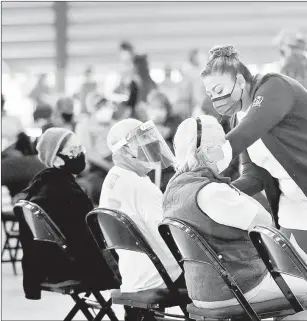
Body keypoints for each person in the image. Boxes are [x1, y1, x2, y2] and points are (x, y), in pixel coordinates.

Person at [200, 44, 307, 308]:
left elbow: (252, 128)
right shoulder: (240, 120)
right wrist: (220, 190)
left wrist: (206, 159)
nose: (216, 99)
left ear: (239, 80)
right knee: (287, 282)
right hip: (297, 202)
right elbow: (254, 175)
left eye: (220, 90)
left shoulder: (274, 88)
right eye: (210, 94)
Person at [164, 115, 307, 308]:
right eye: (222, 142)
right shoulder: (213, 192)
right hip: (238, 288)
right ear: (207, 151)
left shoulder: (173, 189)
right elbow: (264, 223)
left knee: (294, 290)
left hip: (200, 291)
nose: (227, 147)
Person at [16, 128, 119, 300]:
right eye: (73, 151)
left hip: (50, 266)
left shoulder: (42, 184)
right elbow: (88, 239)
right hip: (72, 267)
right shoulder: (65, 190)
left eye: (80, 148)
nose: (79, 154)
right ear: (55, 159)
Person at [99, 119, 186, 321]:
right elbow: (170, 238)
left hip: (133, 276)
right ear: (126, 150)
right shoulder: (142, 188)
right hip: (161, 277)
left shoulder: (114, 177)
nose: (153, 143)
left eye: (151, 137)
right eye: (144, 139)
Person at [145, 90, 183, 191]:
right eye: (153, 108)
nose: (157, 112)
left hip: (170, 174)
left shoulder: (174, 124)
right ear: (147, 109)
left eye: (160, 108)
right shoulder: (143, 127)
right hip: (150, 176)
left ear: (167, 110)